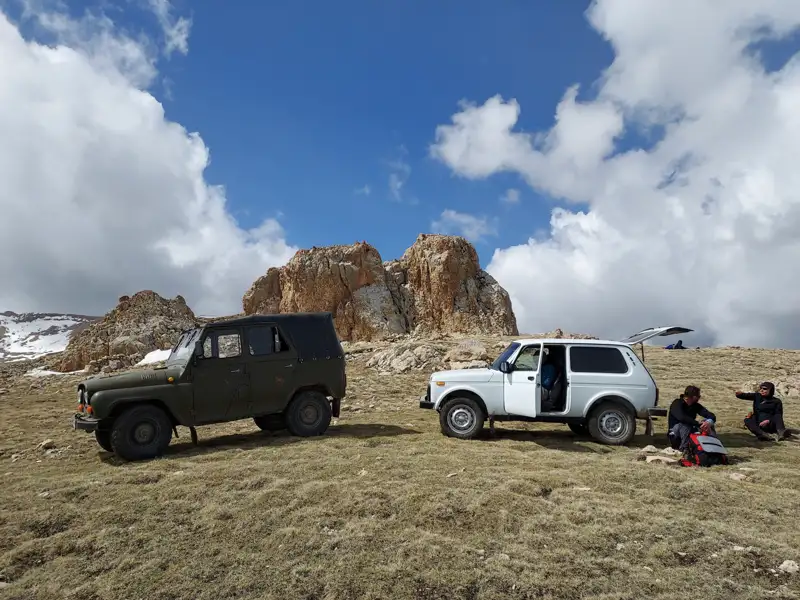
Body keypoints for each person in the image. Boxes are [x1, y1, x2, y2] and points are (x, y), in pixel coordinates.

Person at [668, 385, 717, 452]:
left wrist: (708, 422)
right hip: (675, 434)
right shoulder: (677, 403)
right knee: (685, 425)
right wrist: (698, 424)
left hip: (690, 430)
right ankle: (684, 449)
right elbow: (682, 417)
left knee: (707, 423)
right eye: (698, 396)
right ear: (693, 396)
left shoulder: (695, 406)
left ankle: (713, 448)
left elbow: (711, 415)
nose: (699, 398)